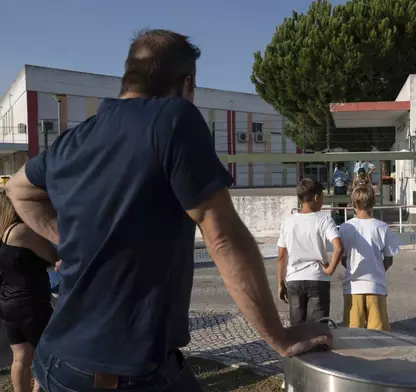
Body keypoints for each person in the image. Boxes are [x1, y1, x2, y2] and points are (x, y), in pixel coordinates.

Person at [6, 29, 331, 392]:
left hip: (55, 364)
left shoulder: (74, 139)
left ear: (128, 76)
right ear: (186, 84)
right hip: (120, 374)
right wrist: (279, 337)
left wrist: (65, 240)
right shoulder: (174, 118)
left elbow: (18, 189)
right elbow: (223, 238)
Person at [0, 190, 57, 392]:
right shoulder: (21, 231)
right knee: (48, 354)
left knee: (21, 357)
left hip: (8, 303)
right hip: (30, 303)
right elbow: (52, 255)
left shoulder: (4, 232)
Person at [321, 186, 399, 331]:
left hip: (353, 287)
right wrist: (377, 269)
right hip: (376, 286)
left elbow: (344, 259)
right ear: (373, 203)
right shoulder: (382, 227)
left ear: (353, 204)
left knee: (353, 333)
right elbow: (389, 259)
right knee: (378, 334)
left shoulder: (345, 227)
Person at [277, 178, 344, 325]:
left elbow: (281, 256)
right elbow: (338, 247)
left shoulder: (288, 222)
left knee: (297, 329)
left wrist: (280, 283)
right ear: (316, 197)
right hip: (318, 279)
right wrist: (330, 269)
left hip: (294, 280)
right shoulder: (324, 220)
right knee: (318, 330)